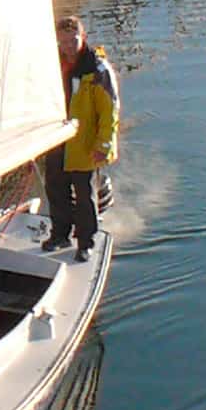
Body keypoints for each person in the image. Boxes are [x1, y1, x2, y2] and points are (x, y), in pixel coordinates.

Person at [47, 15, 119, 261]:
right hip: (57, 141)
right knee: (56, 191)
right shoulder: (51, 65)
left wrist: (103, 145)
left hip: (84, 145)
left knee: (84, 195)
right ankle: (59, 235)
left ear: (83, 37)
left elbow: (109, 111)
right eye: (63, 41)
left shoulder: (97, 70)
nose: (68, 46)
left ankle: (85, 242)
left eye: (73, 40)